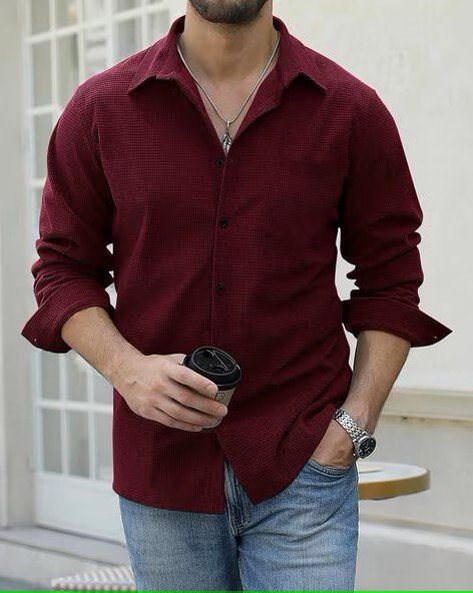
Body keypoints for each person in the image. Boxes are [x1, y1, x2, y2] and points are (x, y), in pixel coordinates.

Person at [21, 0, 452, 590]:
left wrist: (353, 425)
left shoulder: (351, 110)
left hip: (305, 464)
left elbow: (392, 278)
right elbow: (63, 268)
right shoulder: (99, 109)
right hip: (161, 469)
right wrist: (128, 370)